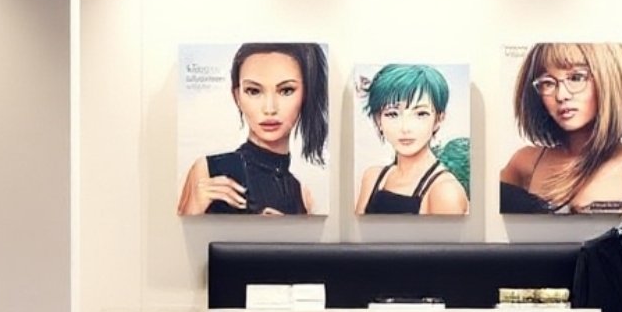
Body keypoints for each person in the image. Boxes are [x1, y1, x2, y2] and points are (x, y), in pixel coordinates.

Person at [177, 42, 328, 215]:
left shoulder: (302, 194)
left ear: (305, 96)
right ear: (237, 97)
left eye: (286, 90)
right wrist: (194, 207)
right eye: (254, 91)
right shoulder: (209, 171)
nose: (270, 109)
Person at [499, 42, 622, 214]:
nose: (561, 95)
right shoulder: (525, 162)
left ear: (613, 80)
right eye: (548, 82)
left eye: (576, 78)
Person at [355, 63, 469, 215]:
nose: (405, 128)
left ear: (439, 119)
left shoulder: (445, 192)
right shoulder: (372, 177)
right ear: (378, 120)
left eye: (420, 114)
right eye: (392, 114)